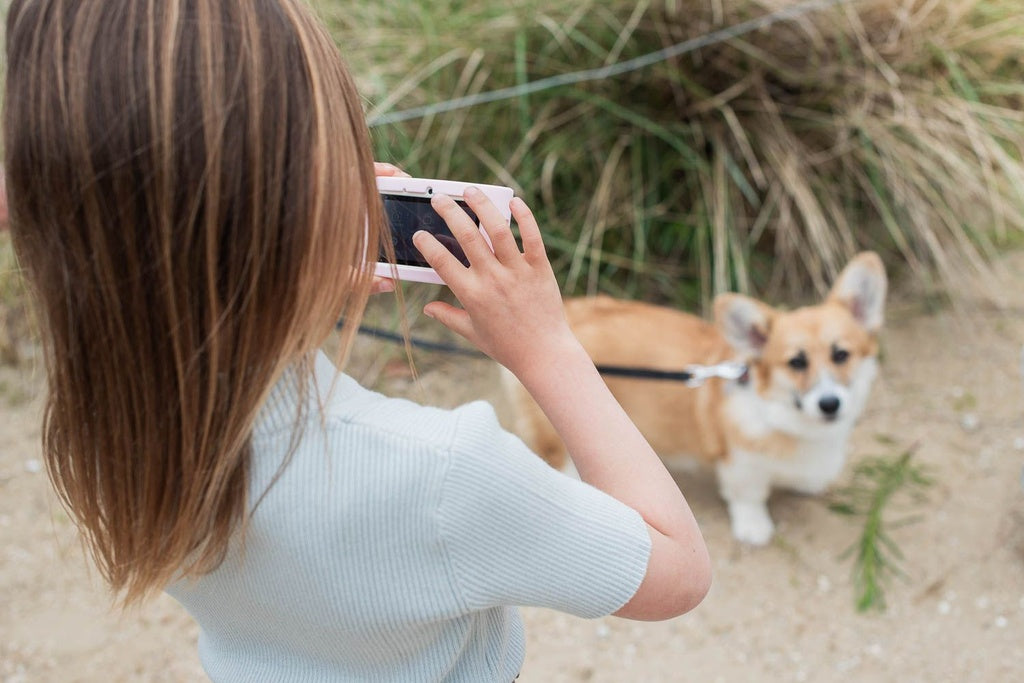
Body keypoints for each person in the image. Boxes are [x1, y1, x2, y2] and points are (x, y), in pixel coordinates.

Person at [3, 1, 710, 681]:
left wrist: (293, 269)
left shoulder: (102, 415)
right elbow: (677, 571)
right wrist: (549, 349)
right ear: (307, 210)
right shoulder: (442, 473)